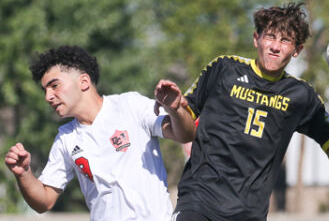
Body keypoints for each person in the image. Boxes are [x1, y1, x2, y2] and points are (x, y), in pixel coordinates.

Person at [170, 2, 329, 221]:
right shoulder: (223, 69)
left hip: (248, 214)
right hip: (198, 201)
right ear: (256, 39)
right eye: (270, 36)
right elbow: (184, 124)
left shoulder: (302, 96)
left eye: (285, 40)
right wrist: (174, 109)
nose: (275, 47)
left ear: (297, 50)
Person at [4, 45, 196, 221]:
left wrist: (175, 110)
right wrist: (23, 173)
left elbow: (185, 134)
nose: (48, 97)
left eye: (54, 86)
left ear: (84, 81)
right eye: (45, 90)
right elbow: (44, 201)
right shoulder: (65, 139)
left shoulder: (130, 105)